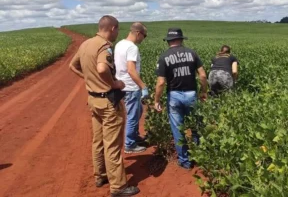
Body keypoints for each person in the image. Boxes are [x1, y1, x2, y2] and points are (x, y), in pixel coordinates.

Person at [69, 15, 140, 197]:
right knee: (113, 144)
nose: (117, 34)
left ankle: (100, 175)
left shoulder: (86, 44)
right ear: (112, 28)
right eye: (118, 30)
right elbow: (102, 68)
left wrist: (89, 80)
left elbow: (72, 66)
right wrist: (114, 84)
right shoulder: (104, 46)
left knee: (98, 141)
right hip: (108, 102)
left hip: (93, 100)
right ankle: (118, 187)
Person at [153, 28, 208, 170]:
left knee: (178, 129)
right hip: (191, 94)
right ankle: (200, 156)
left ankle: (185, 161)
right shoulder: (192, 53)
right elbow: (202, 75)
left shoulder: (164, 57)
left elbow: (160, 82)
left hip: (174, 96)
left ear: (168, 41)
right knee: (196, 126)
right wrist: (203, 92)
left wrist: (156, 100)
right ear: (182, 40)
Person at [114, 22, 148, 154]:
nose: (143, 39)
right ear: (138, 33)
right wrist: (143, 86)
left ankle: (134, 136)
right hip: (131, 87)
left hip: (122, 85)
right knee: (133, 116)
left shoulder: (119, 44)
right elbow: (131, 70)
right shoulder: (132, 47)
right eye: (144, 36)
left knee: (138, 111)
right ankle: (130, 144)